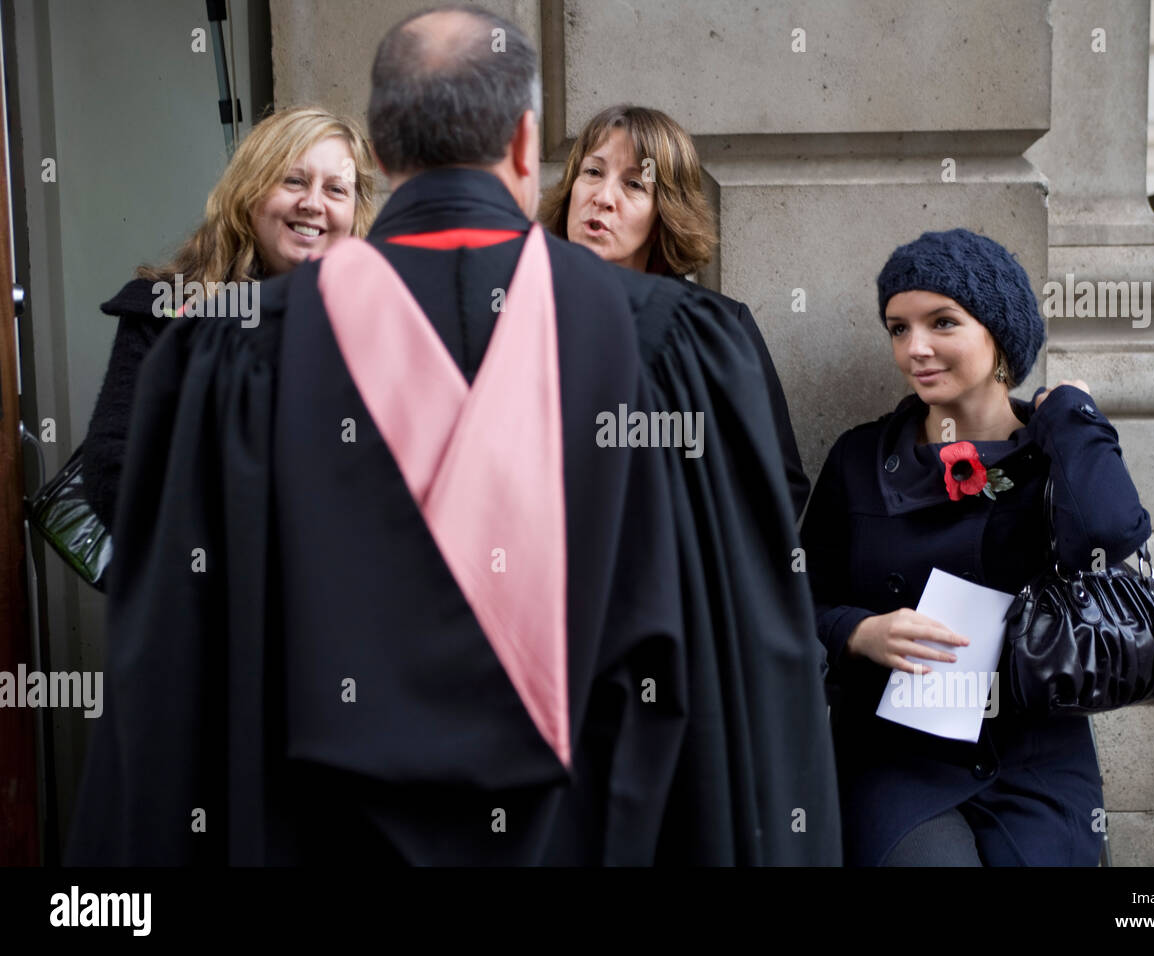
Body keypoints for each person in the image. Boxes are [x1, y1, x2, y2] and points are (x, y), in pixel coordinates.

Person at [67, 2, 838, 866]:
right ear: (523, 145)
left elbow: (170, 682)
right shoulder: (676, 347)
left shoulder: (233, 356)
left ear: (384, 157)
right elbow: (747, 670)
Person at [801, 228, 1152, 866]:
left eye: (941, 322)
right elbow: (794, 596)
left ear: (999, 338)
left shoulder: (1054, 454)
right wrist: (860, 632)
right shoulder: (860, 458)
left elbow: (1110, 534)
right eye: (898, 328)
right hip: (898, 755)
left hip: (1036, 753)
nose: (916, 349)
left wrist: (1073, 415)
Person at [81, 106, 378, 532]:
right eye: (293, 180)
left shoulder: (381, 324)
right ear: (249, 192)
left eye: (336, 189)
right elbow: (116, 469)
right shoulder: (169, 310)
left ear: (354, 213)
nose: (313, 203)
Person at [539, 105, 810, 515]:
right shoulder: (520, 317)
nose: (603, 198)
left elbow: (777, 486)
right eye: (592, 172)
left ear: (664, 212)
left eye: (633, 184)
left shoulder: (717, 328)